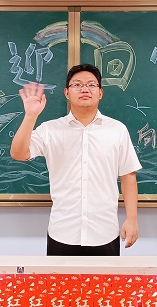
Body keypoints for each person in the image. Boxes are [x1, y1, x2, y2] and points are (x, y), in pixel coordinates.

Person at [10, 63, 142, 256]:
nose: (85, 89)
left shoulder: (117, 130)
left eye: (91, 85)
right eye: (77, 85)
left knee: (106, 278)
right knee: (58, 278)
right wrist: (30, 116)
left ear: (100, 93)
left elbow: (128, 176)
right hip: (62, 232)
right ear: (66, 92)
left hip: (104, 232)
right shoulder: (50, 129)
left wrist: (132, 219)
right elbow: (18, 153)